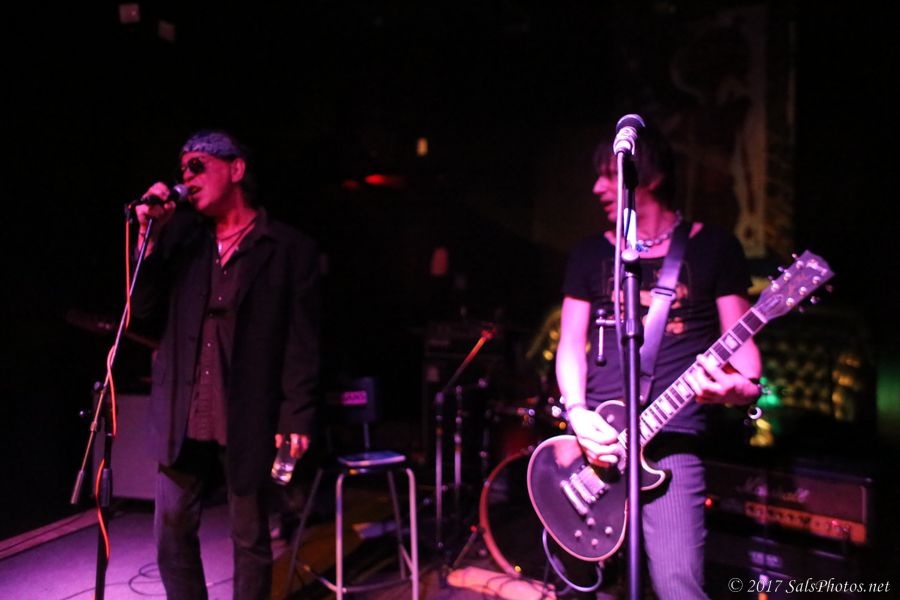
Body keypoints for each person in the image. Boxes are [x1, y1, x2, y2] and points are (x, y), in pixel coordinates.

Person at [555, 123, 761, 599]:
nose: (597, 188)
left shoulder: (714, 247)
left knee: (676, 585)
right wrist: (577, 413)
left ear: (647, 176)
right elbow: (569, 346)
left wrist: (741, 390)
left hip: (671, 441)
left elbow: (746, 354)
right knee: (581, 587)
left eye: (609, 175)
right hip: (596, 442)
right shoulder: (589, 254)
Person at [131, 130, 320, 599]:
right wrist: (148, 240)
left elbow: (302, 343)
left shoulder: (287, 248)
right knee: (171, 532)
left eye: (198, 165)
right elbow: (141, 313)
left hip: (248, 411)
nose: (187, 177)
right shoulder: (182, 242)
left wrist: (295, 415)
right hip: (183, 408)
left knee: (249, 538)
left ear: (236, 169)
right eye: (182, 169)